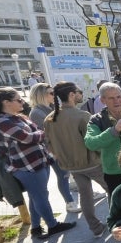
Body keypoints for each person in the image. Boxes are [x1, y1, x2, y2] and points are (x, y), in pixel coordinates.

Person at [0, 88, 75, 238]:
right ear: (6, 103)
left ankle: (36, 226)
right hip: (25, 166)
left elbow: (36, 132)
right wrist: (45, 133)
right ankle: (52, 225)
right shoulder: (0, 121)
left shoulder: (17, 117)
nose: (23, 102)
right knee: (40, 196)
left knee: (36, 196)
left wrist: (40, 134)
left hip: (39, 161)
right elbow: (27, 137)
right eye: (18, 100)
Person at [44, 82, 110, 238]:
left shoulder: (49, 118)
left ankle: (96, 228)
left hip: (71, 166)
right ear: (72, 95)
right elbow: (94, 142)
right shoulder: (82, 116)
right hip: (92, 163)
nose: (82, 95)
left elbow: (48, 144)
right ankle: (118, 222)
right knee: (113, 191)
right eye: (79, 91)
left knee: (85, 196)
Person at [28, 83, 78, 213]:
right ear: (41, 95)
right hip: (52, 150)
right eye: (51, 93)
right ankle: (69, 202)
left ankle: (74, 198)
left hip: (62, 146)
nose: (54, 95)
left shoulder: (51, 107)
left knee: (68, 173)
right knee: (63, 175)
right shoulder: (37, 112)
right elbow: (47, 135)